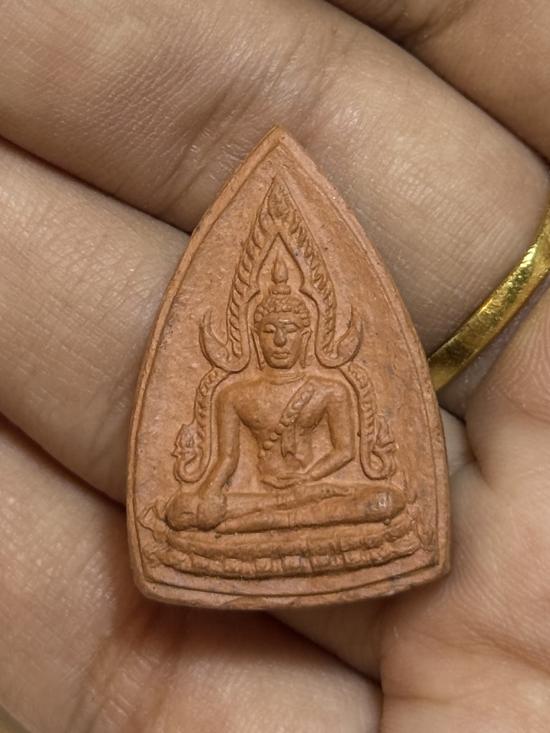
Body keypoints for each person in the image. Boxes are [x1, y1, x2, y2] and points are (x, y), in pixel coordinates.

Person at [1, 1, 550, 730]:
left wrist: (317, 478)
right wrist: (208, 498)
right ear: (255, 330)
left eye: (295, 326)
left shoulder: (330, 385)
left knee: (381, 500)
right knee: (186, 515)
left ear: (312, 326)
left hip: (332, 500)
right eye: (273, 327)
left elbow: (353, 462)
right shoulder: (233, 390)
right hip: (256, 512)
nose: (284, 336)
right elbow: (221, 470)